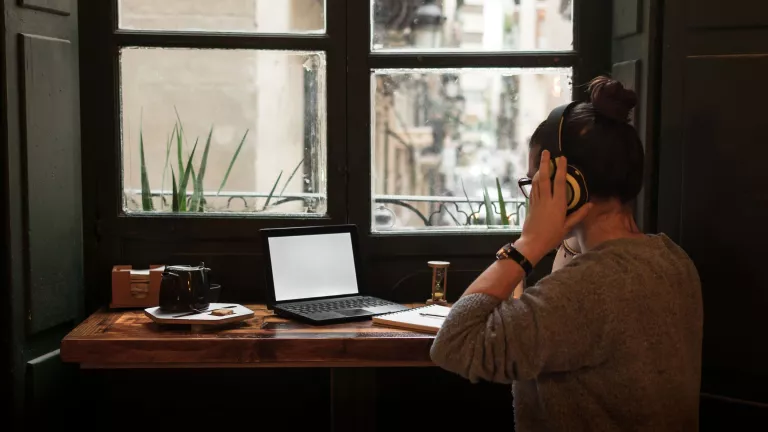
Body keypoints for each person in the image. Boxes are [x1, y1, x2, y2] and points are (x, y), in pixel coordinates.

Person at [430, 77, 703, 431]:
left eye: (535, 183)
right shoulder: (671, 259)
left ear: (569, 186)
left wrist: (529, 243)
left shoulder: (589, 289)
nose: (533, 196)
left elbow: (455, 343)